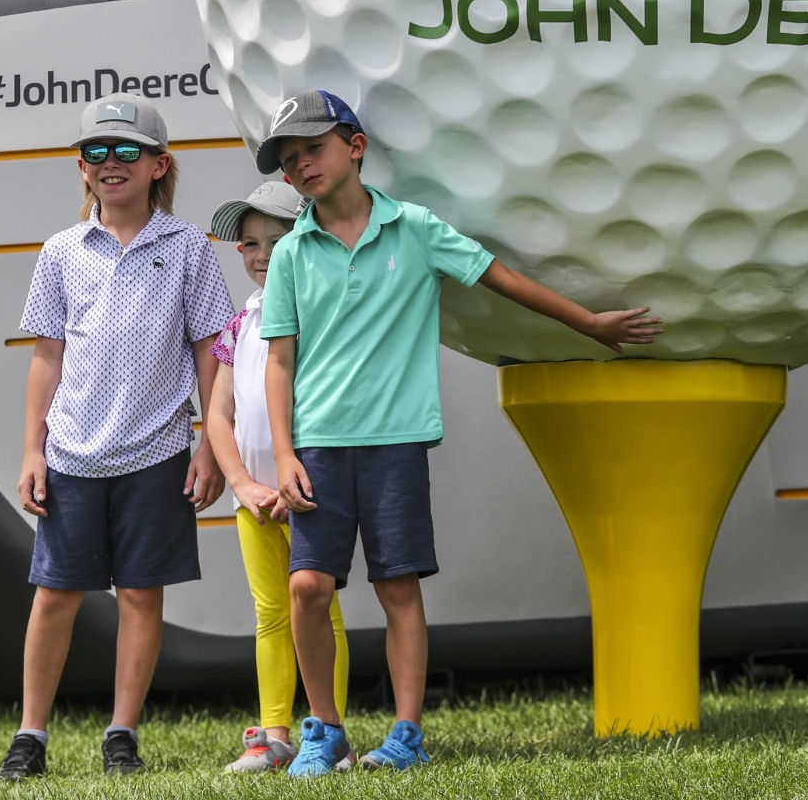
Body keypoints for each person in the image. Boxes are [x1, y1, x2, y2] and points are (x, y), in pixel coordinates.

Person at [257, 90, 662, 775]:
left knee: (398, 585)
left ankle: (405, 734)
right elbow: (278, 359)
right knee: (307, 587)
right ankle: (324, 728)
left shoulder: (414, 227)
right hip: (320, 444)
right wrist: (286, 451)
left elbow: (500, 278)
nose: (302, 166)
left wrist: (588, 323)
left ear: (354, 147)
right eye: (290, 160)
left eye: (314, 149)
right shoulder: (294, 250)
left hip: (395, 441)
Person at [0, 94, 234, 782]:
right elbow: (47, 355)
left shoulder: (187, 246)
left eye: (128, 151)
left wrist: (210, 445)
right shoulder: (62, 251)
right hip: (71, 452)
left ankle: (121, 733)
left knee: (140, 594)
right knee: (55, 595)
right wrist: (33, 449)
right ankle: (30, 735)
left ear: (160, 165)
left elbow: (210, 350)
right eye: (96, 152)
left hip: (158, 450)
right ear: (81, 167)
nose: (111, 163)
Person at [203, 180, 353, 773]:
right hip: (253, 501)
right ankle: (274, 736)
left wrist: (295, 479)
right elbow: (219, 414)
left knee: (321, 611)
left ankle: (329, 733)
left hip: (307, 493)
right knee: (270, 614)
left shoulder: (321, 313)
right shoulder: (240, 324)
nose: (261, 253)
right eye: (248, 242)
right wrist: (242, 485)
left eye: (276, 238)